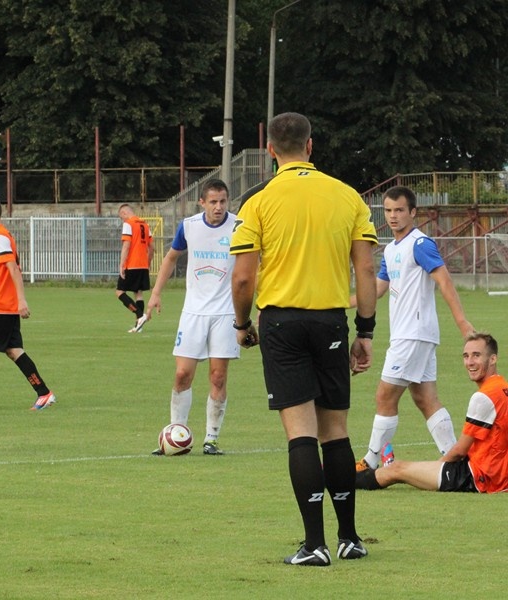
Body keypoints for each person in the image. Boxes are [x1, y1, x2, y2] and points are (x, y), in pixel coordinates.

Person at [230, 112, 377, 567]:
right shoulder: (347, 196)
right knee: (336, 432)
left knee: (301, 435)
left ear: (271, 150)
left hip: (282, 323)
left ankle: (314, 545)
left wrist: (242, 324)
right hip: (332, 321)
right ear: (311, 146)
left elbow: (241, 280)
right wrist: (365, 331)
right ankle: (349, 538)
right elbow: (367, 270)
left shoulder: (258, 202)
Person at [353, 185, 473, 473]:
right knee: (425, 398)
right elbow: (377, 290)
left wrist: (463, 324)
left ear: (413, 212)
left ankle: (370, 461)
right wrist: (334, 301)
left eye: (399, 210)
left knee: (384, 396)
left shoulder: (420, 244)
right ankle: (456, 460)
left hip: (413, 333)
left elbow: (444, 281)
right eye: (389, 211)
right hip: (411, 335)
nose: (393, 216)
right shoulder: (392, 249)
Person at [356, 332, 508, 493]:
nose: (470, 362)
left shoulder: (484, 396)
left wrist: (438, 467)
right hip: (504, 478)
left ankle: (342, 480)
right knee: (397, 467)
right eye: (466, 356)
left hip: (478, 478)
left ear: (493, 358)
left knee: (395, 469)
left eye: (476, 355)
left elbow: (460, 451)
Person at [146, 179, 237, 456]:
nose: (218, 207)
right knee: (183, 374)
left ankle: (211, 438)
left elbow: (255, 264)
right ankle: (177, 434)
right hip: (193, 312)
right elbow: (171, 257)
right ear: (202, 202)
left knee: (218, 377)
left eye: (222, 201)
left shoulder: (239, 227)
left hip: (225, 312)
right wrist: (155, 293)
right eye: (213, 201)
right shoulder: (189, 226)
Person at [0, 195, 55, 411]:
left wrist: (22, 300)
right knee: (14, 350)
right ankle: (44, 393)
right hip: (3, 306)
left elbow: (13, 268)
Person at [116, 203, 154, 332]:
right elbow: (151, 247)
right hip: (143, 265)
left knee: (120, 292)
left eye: (122, 218)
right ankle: (139, 326)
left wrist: (122, 264)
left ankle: (140, 315)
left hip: (131, 264)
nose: (123, 220)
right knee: (138, 293)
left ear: (124, 213)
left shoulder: (128, 224)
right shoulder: (145, 224)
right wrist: (147, 263)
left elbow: (126, 245)